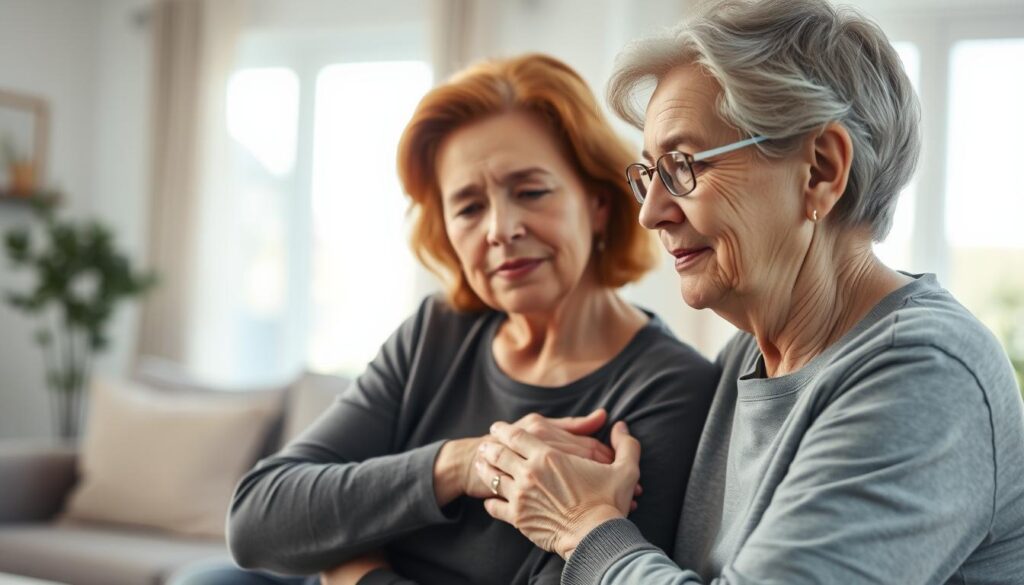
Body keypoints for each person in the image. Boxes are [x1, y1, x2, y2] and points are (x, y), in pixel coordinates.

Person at [473, 2, 1024, 583]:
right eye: (648, 176)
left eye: (683, 165)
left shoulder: (925, 373)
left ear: (820, 171)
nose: (652, 214)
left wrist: (585, 527)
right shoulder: (750, 357)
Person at [209, 54, 717, 585]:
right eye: (469, 207)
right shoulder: (438, 332)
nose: (500, 228)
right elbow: (256, 520)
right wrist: (465, 463)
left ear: (597, 204)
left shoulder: (669, 387)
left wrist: (356, 572)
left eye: (530, 191)